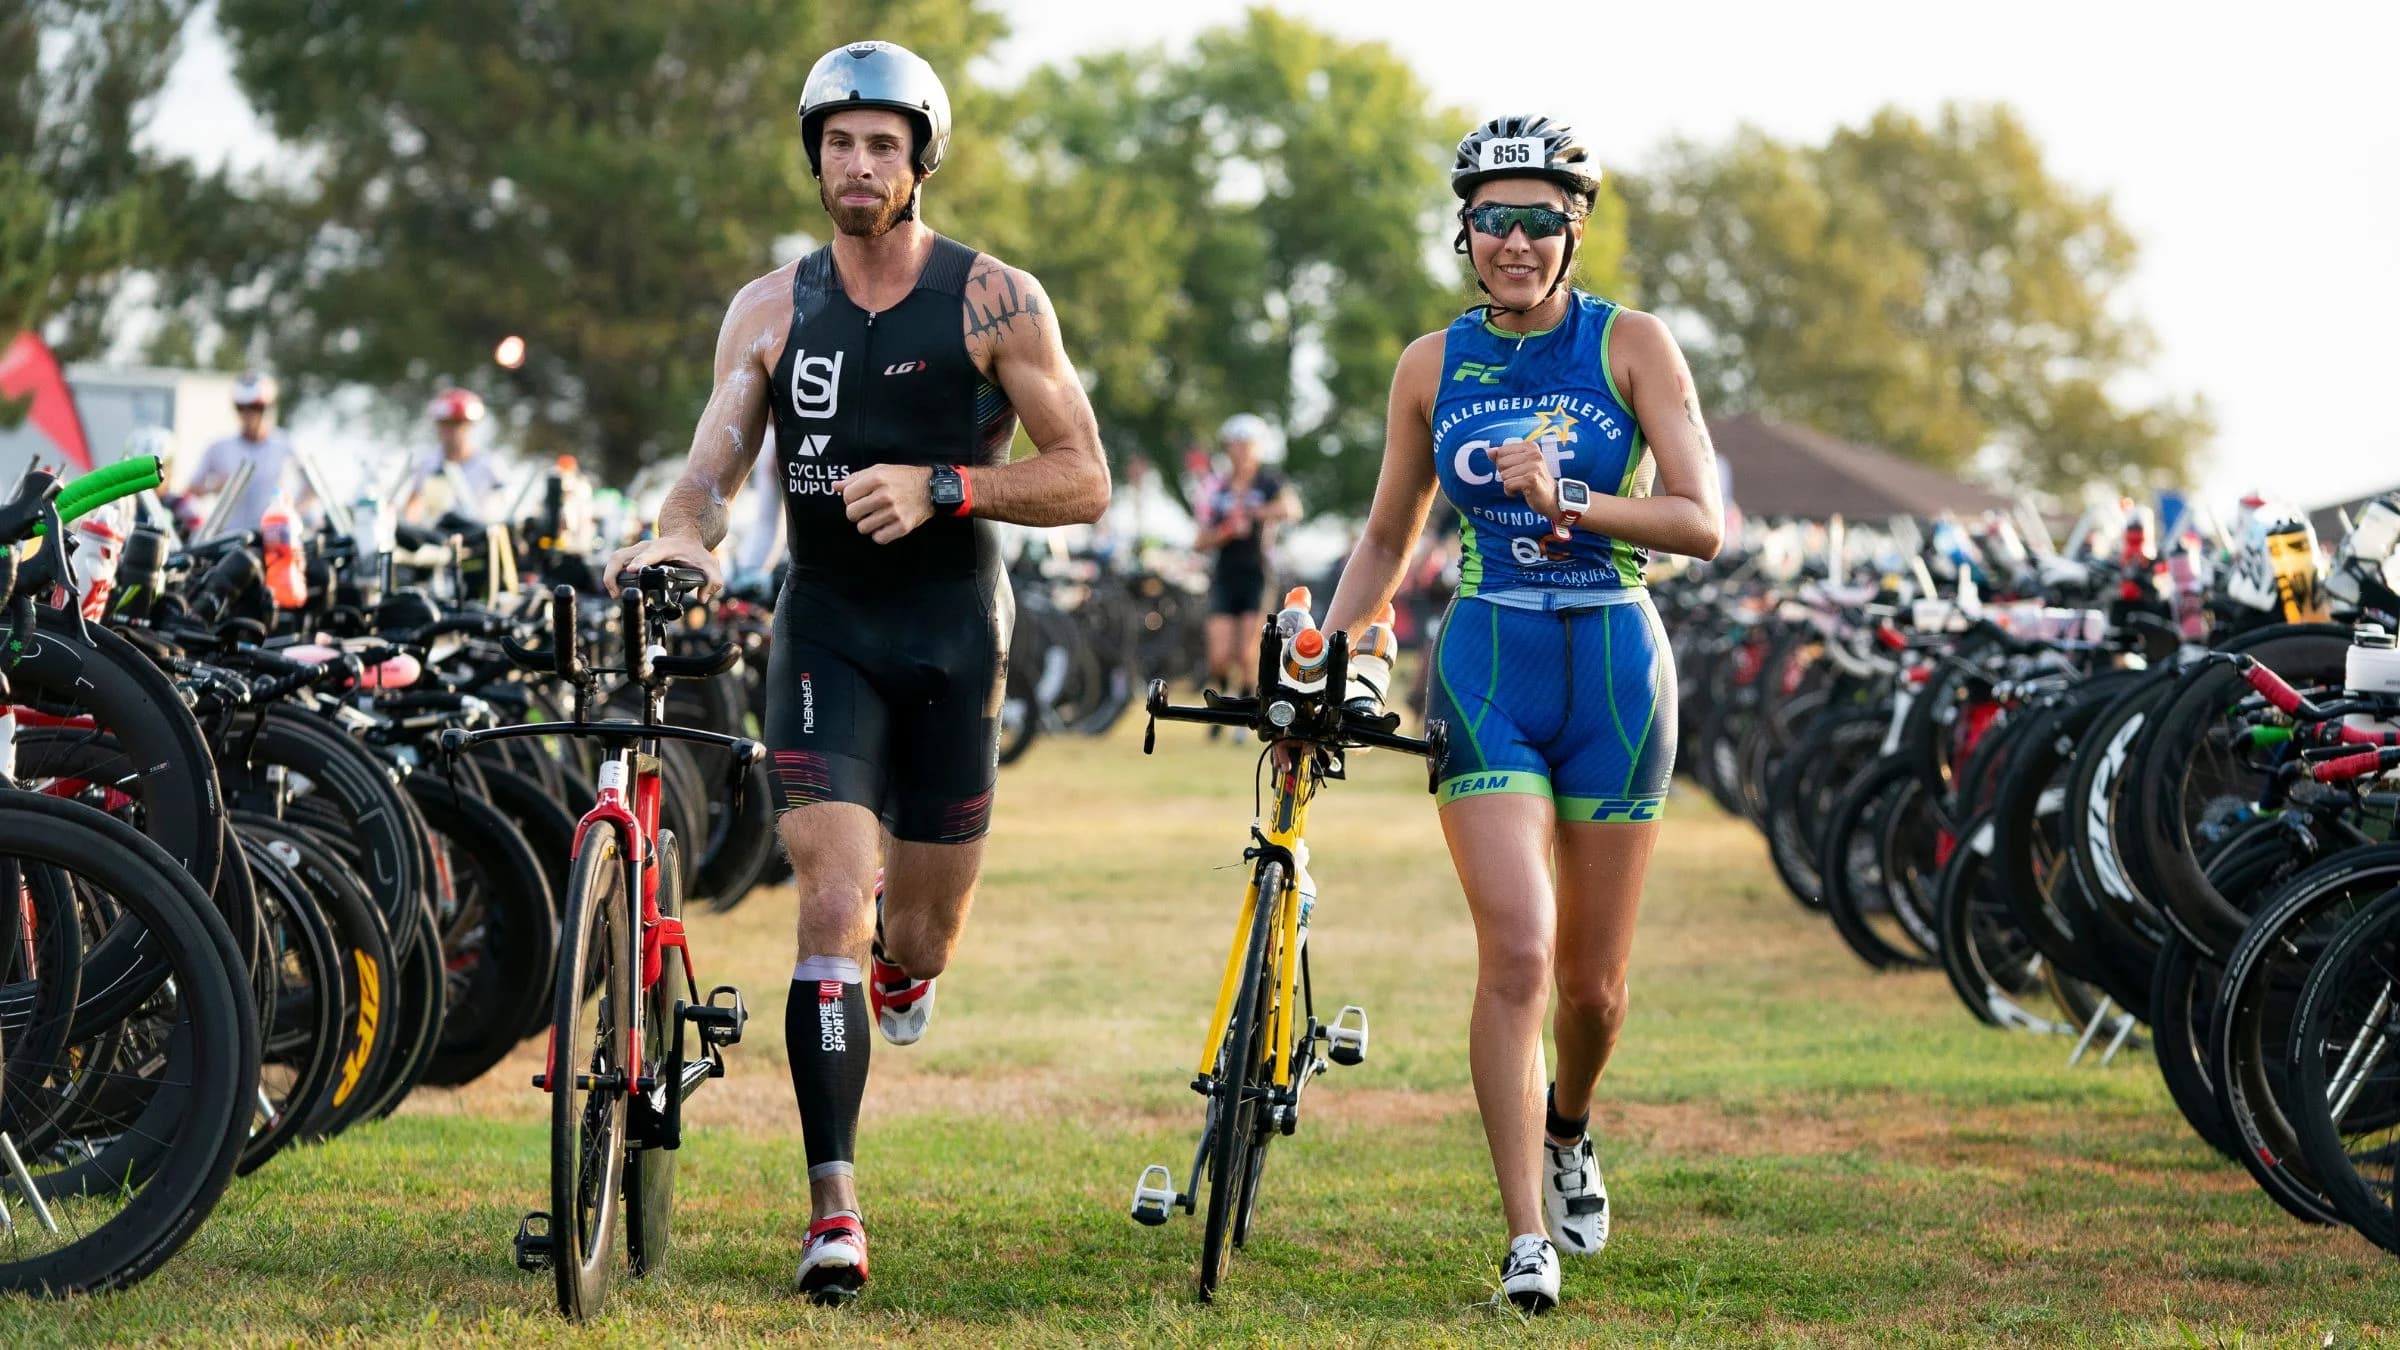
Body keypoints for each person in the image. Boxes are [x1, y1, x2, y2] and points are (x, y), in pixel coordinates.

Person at [602, 39, 1110, 1304]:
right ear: (815, 156)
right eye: (838, 142)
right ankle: (834, 1209)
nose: (859, 164)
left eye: (884, 143)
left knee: (919, 935)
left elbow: (1085, 477)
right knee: (827, 897)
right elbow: (712, 467)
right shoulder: (771, 308)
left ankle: (904, 970)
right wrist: (677, 532)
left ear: (922, 158)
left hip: (954, 634)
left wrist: (948, 485)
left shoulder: (996, 299)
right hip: (822, 627)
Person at [1312, 115, 1722, 1313]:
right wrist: (1328, 659)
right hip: (1489, 662)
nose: (1516, 240)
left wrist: (1581, 500)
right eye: (1494, 217)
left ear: (1575, 228)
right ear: (1466, 229)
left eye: (1541, 218)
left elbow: (1702, 523)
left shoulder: (1632, 345)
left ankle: (1572, 1121)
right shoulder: (1430, 365)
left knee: (1593, 991)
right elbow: (1389, 534)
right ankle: (1525, 1237)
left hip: (1616, 668)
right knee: (1523, 955)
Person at [1194, 413, 1300, 704]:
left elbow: (1291, 509)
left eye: (1247, 445)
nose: (1241, 451)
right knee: (1218, 654)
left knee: (1247, 652)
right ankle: (1225, 694)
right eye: (1236, 445)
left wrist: (1254, 513)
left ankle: (1245, 704)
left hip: (1257, 573)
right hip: (1225, 574)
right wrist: (1226, 531)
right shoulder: (1216, 488)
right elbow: (1200, 540)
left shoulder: (1269, 482)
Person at [188, 372, 315, 540]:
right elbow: (190, 490)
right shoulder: (218, 448)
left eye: (257, 407)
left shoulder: (286, 445)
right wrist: (215, 486)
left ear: (268, 407)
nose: (249, 414)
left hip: (275, 538)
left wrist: (293, 512)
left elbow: (312, 488)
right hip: (230, 539)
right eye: (242, 407)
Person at [402, 387, 509, 525]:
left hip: (480, 536)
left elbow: (505, 504)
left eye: (456, 424)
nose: (449, 431)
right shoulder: (428, 463)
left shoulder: (490, 464)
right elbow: (413, 504)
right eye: (444, 424)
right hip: (437, 537)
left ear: (469, 425)